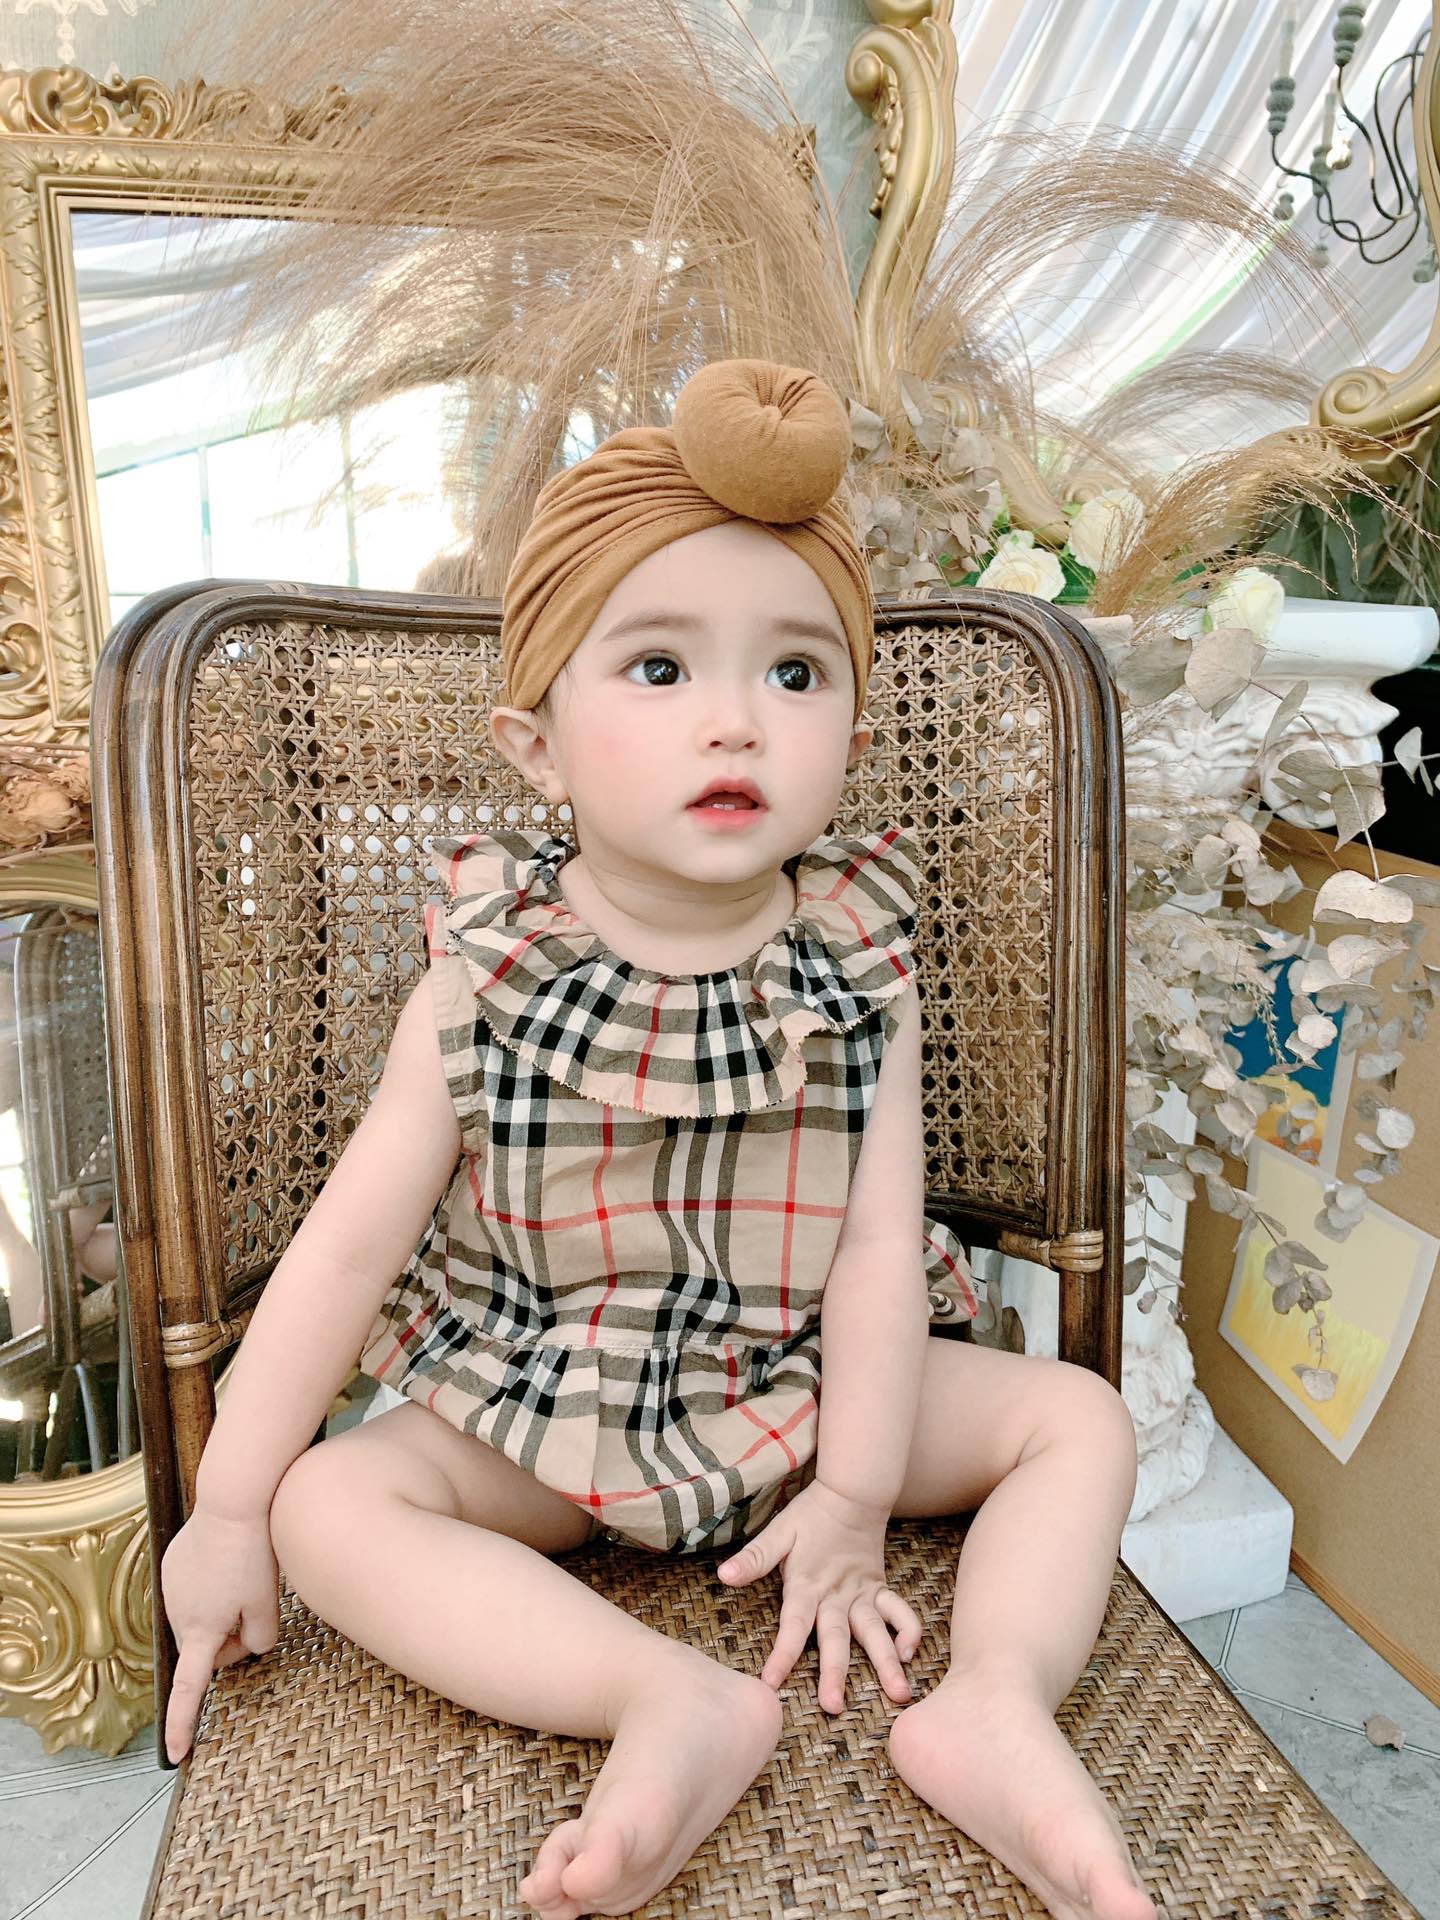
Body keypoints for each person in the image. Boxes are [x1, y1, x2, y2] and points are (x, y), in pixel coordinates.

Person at [159, 358, 1155, 1920]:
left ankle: (995, 1700)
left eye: (796, 673)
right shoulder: (486, 972)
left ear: (850, 732)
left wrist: (851, 1501)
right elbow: (345, 1252)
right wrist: (226, 1509)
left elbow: (878, 1256)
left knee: (1077, 1421)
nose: (736, 721)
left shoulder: (857, 966)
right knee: (327, 1504)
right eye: (660, 669)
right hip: (543, 1403)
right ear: (537, 746)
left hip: (802, 1398)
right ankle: (660, 1698)